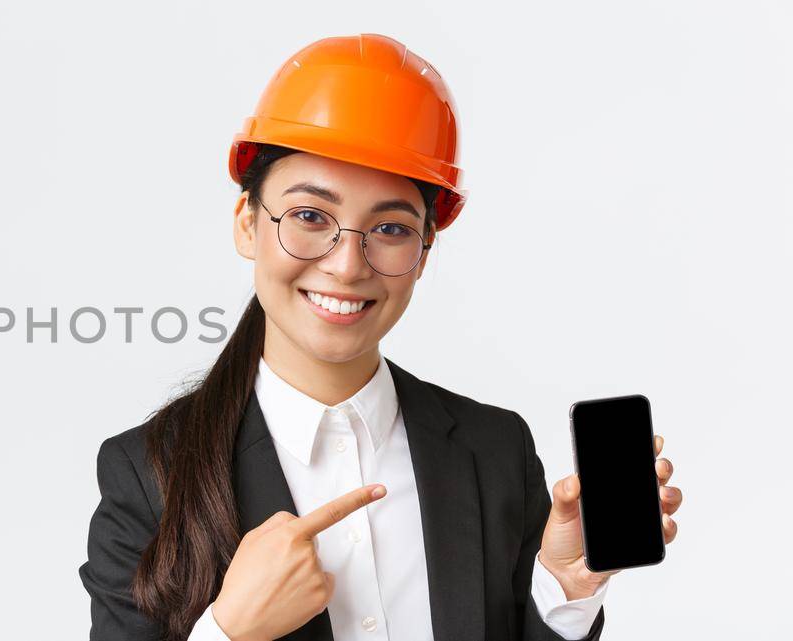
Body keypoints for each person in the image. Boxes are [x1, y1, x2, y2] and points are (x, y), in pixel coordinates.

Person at [78, 34, 684, 641]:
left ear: (423, 254)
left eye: (390, 227)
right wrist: (229, 631)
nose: (347, 265)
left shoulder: (495, 450)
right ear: (247, 223)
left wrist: (564, 590)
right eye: (310, 216)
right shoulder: (147, 475)